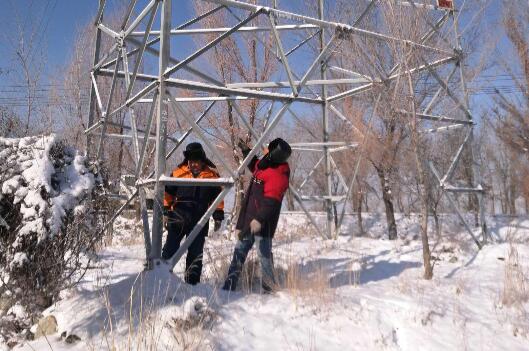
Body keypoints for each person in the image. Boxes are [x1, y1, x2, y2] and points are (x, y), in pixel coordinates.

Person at [223, 138, 291, 293]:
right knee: (239, 253)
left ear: (274, 153)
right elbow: (255, 165)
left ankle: (269, 288)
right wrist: (246, 150)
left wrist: (258, 221)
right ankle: (228, 287)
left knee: (264, 256)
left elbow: (271, 203)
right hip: (249, 218)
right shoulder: (267, 165)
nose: (265, 149)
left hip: (262, 222)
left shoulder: (278, 174)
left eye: (268, 148)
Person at [162, 142, 224, 285]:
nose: (193, 165)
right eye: (191, 162)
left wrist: (218, 215)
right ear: (187, 161)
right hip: (178, 217)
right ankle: (162, 279)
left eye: (196, 162)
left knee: (195, 254)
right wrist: (166, 211)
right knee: (169, 250)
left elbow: (218, 198)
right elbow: (168, 193)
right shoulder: (178, 173)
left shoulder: (212, 176)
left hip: (200, 219)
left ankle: (192, 285)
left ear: (202, 161)